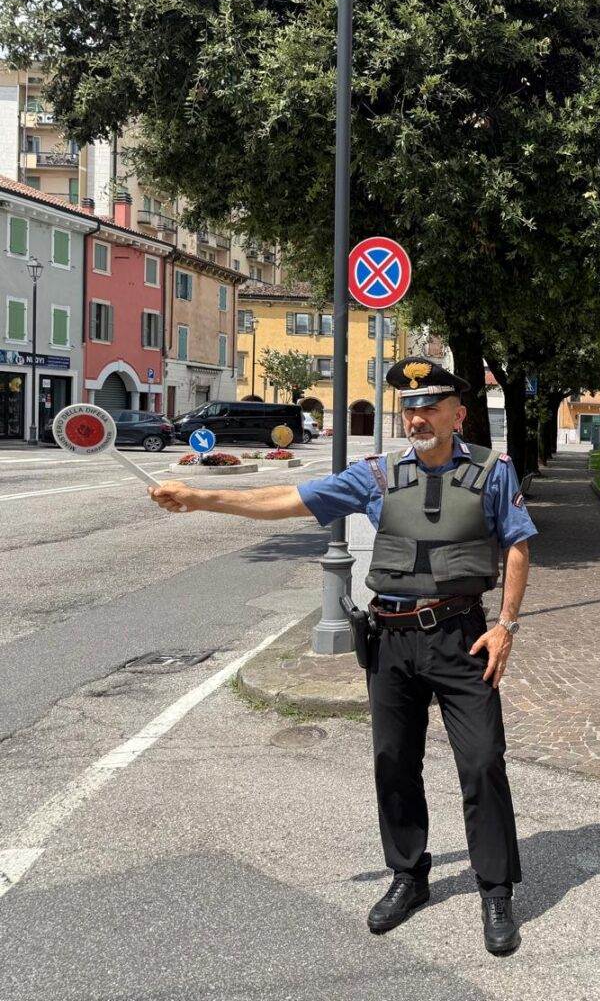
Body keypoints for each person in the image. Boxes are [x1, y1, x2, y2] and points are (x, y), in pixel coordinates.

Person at [148, 357, 534, 954]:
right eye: (410, 406)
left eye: (431, 405)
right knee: (393, 761)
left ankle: (496, 889)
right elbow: (289, 499)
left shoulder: (493, 472)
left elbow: (516, 546)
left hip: (462, 638)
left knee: (483, 761)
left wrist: (506, 624)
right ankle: (409, 876)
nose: (417, 416)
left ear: (459, 413)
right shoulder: (377, 475)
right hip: (391, 638)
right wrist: (200, 498)